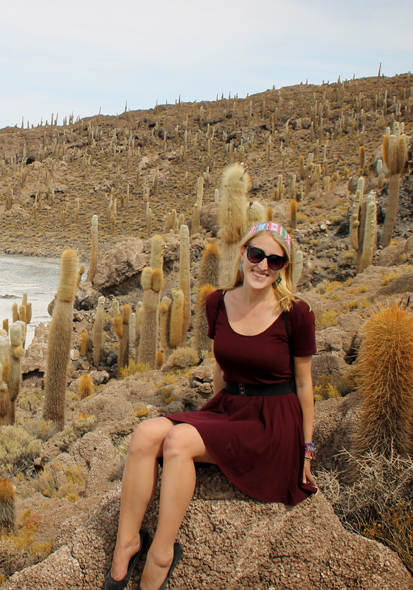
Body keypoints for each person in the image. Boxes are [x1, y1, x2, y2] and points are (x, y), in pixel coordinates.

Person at [104, 222, 317, 590]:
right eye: (256, 254)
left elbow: (304, 383)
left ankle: (162, 554)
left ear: (285, 267)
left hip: (272, 423)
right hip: (229, 407)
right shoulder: (217, 302)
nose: (263, 265)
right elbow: (222, 368)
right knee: (145, 434)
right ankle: (127, 544)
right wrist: (212, 419)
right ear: (242, 254)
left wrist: (307, 451)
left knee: (178, 442)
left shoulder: (296, 313)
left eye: (275, 260)